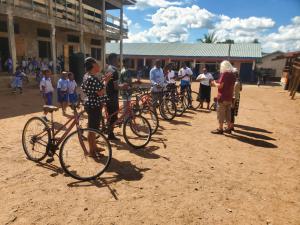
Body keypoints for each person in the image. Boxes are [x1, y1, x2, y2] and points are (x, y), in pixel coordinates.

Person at [81, 57, 112, 156]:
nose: (99, 65)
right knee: (92, 129)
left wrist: (102, 80)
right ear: (93, 65)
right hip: (94, 105)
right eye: (97, 64)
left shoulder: (87, 76)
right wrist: (106, 81)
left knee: (93, 128)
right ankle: (92, 150)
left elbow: (94, 88)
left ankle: (94, 147)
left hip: (91, 103)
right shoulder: (92, 78)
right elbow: (100, 92)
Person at [211, 60, 236, 134]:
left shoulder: (225, 74)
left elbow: (220, 85)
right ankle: (229, 128)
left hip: (222, 97)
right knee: (228, 114)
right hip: (229, 97)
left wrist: (214, 83)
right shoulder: (233, 75)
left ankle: (220, 128)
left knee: (220, 114)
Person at [106, 53, 121, 140]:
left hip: (108, 96)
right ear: (113, 59)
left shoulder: (108, 68)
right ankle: (110, 134)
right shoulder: (114, 70)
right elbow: (116, 86)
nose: (118, 61)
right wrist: (124, 87)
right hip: (113, 97)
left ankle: (109, 132)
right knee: (114, 116)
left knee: (111, 116)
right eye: (117, 59)